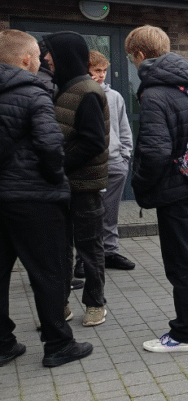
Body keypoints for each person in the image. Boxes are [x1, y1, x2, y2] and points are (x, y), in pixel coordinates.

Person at [0, 29, 93, 368]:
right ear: (26, 59)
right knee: (49, 272)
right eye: (38, 57)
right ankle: (58, 344)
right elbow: (50, 146)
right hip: (35, 199)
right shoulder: (33, 94)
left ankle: (3, 343)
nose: (42, 61)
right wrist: (56, 180)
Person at [128, 25, 188, 353]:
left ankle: (184, 334)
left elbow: (155, 152)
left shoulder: (154, 92)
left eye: (131, 58)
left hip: (176, 187)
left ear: (139, 55)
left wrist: (140, 183)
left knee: (182, 261)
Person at [45, 32, 111, 329]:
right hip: (61, 185)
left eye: (50, 53)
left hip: (84, 186)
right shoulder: (60, 88)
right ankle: (61, 306)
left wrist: (58, 165)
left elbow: (93, 142)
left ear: (65, 55)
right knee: (59, 249)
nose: (46, 58)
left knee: (89, 248)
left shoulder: (87, 91)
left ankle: (95, 303)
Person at [87, 51, 136, 272]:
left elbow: (124, 128)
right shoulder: (78, 94)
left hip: (115, 162)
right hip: (88, 166)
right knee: (89, 213)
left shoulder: (115, 97)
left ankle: (110, 252)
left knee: (110, 212)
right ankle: (87, 257)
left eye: (104, 70)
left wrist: (125, 156)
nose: (101, 75)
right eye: (96, 70)